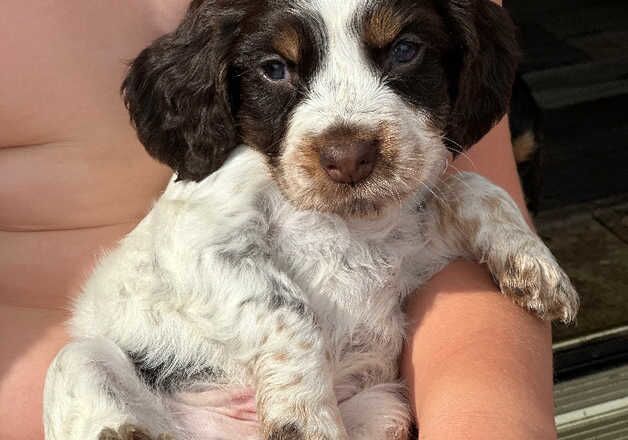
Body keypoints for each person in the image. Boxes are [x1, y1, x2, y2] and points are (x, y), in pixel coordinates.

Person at [0, 0, 556, 438]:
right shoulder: (232, 181)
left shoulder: (424, 174)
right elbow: (200, 242)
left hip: (350, 407)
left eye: (404, 51)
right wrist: (295, 382)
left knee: (384, 409)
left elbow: (451, 244)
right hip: (157, 390)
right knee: (80, 367)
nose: (346, 146)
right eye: (274, 69)